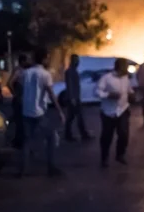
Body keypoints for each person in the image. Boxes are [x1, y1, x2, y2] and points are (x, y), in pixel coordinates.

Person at [19, 48, 64, 177]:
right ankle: (51, 167)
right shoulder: (45, 74)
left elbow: (22, 89)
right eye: (48, 57)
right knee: (51, 138)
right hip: (39, 112)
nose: (49, 60)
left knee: (27, 141)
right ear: (43, 58)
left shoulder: (26, 73)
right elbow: (51, 94)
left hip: (26, 111)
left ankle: (23, 170)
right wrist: (60, 111)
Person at [97, 58, 134, 167]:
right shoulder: (106, 78)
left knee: (124, 134)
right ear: (119, 67)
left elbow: (129, 90)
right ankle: (104, 158)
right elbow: (97, 91)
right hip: (108, 112)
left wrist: (132, 94)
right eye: (125, 66)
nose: (127, 68)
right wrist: (108, 95)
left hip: (123, 110)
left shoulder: (126, 78)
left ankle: (120, 155)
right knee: (107, 136)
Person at [64, 54, 93, 141]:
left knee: (71, 117)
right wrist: (73, 98)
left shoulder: (73, 71)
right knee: (78, 116)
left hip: (74, 97)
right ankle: (82, 134)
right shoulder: (70, 71)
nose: (78, 62)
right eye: (76, 60)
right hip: (73, 98)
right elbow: (70, 85)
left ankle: (69, 135)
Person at [7, 53, 30, 149]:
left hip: (22, 99)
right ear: (23, 61)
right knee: (20, 122)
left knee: (20, 121)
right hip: (19, 100)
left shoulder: (23, 70)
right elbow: (9, 83)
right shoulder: (18, 71)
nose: (28, 62)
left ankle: (18, 141)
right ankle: (18, 142)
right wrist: (15, 94)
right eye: (26, 60)